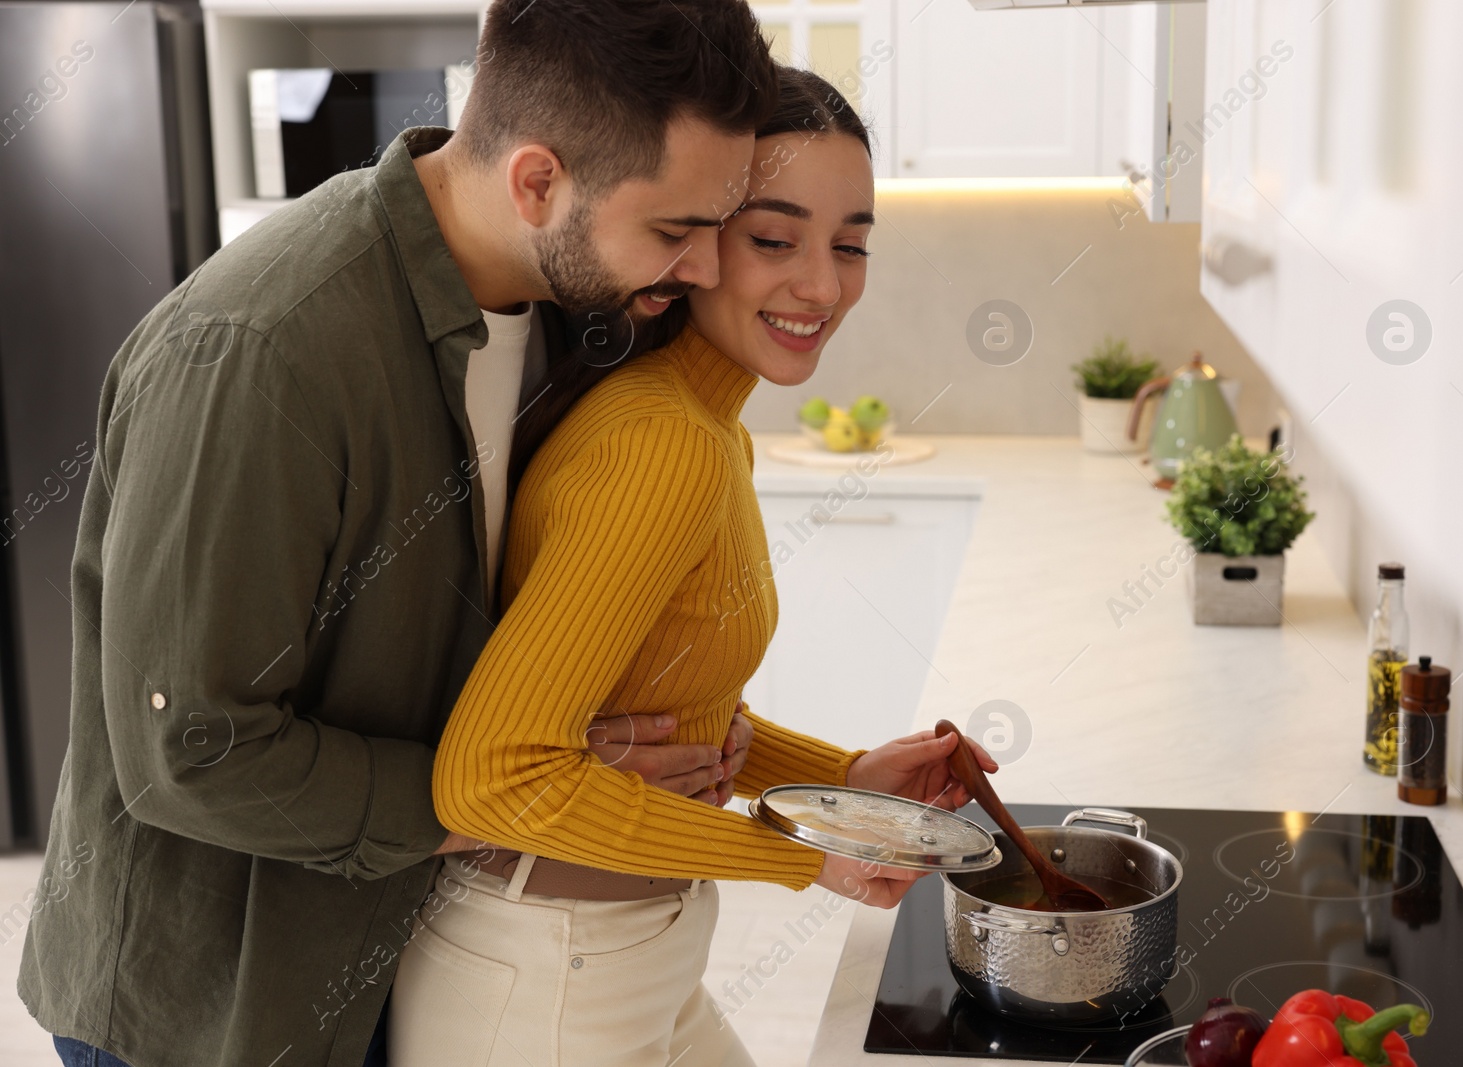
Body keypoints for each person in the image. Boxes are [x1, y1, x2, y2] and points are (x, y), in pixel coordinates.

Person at [17, 3, 785, 1065]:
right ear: (536, 181)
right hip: (210, 1013)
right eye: (674, 229)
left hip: (401, 947)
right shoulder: (263, 351)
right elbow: (190, 753)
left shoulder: (576, 311)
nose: (705, 268)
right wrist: (497, 789)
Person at [387, 68, 997, 1067]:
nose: (822, 284)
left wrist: (839, 780)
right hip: (541, 988)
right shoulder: (660, 442)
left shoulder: (703, 422)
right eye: (773, 238)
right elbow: (490, 780)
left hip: (626, 962)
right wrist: (808, 852)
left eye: (850, 245)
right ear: (697, 239)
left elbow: (662, 702)